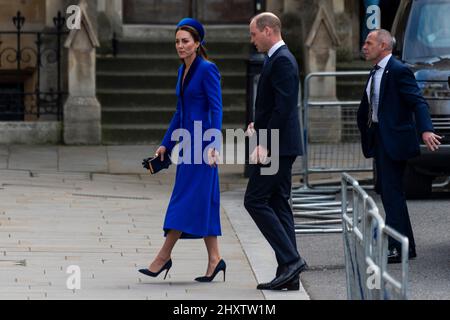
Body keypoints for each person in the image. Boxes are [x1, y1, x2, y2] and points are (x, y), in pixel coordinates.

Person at [139, 18, 225, 282]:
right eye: (177, 41)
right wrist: (167, 143)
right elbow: (180, 112)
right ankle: (215, 260)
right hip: (187, 146)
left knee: (183, 201)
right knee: (204, 201)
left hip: (202, 147)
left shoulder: (208, 69)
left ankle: (163, 257)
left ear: (198, 43)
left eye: (185, 41)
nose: (180, 46)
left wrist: (213, 145)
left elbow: (216, 108)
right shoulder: (182, 70)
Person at [357, 29, 442, 263]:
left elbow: (417, 101)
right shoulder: (376, 70)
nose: (364, 46)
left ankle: (396, 247)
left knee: (392, 193)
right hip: (380, 140)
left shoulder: (398, 70)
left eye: (369, 42)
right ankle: (406, 246)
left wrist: (425, 130)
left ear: (384, 46)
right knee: (389, 192)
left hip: (395, 142)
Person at [244, 12, 307, 291]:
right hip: (280, 143)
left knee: (255, 200)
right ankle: (289, 273)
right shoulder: (277, 58)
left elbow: (284, 108)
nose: (252, 40)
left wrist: (264, 143)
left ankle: (291, 260)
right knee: (279, 201)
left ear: (268, 30)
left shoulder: (281, 60)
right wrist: (258, 124)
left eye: (254, 34)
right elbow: (274, 105)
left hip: (277, 147)